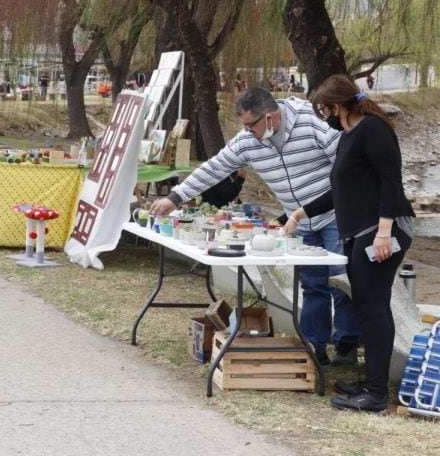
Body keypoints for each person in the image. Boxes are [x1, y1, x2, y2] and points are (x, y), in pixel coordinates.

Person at [150, 87, 360, 365]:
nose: (248, 132)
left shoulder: (311, 121)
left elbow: (346, 163)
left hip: (335, 214)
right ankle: (315, 345)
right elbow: (213, 168)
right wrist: (176, 197)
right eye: (244, 126)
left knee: (340, 280)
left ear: (271, 117)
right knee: (312, 284)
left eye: (251, 125)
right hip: (300, 221)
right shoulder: (247, 142)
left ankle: (347, 345)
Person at [284, 74, 414, 413]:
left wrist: (384, 232)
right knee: (368, 307)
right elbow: (340, 192)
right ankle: (371, 382)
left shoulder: (373, 128)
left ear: (337, 106)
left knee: (373, 309)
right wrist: (300, 213)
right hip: (361, 232)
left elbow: (391, 181)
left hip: (382, 230)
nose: (322, 116)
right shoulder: (347, 137)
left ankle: (374, 394)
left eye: (323, 109)